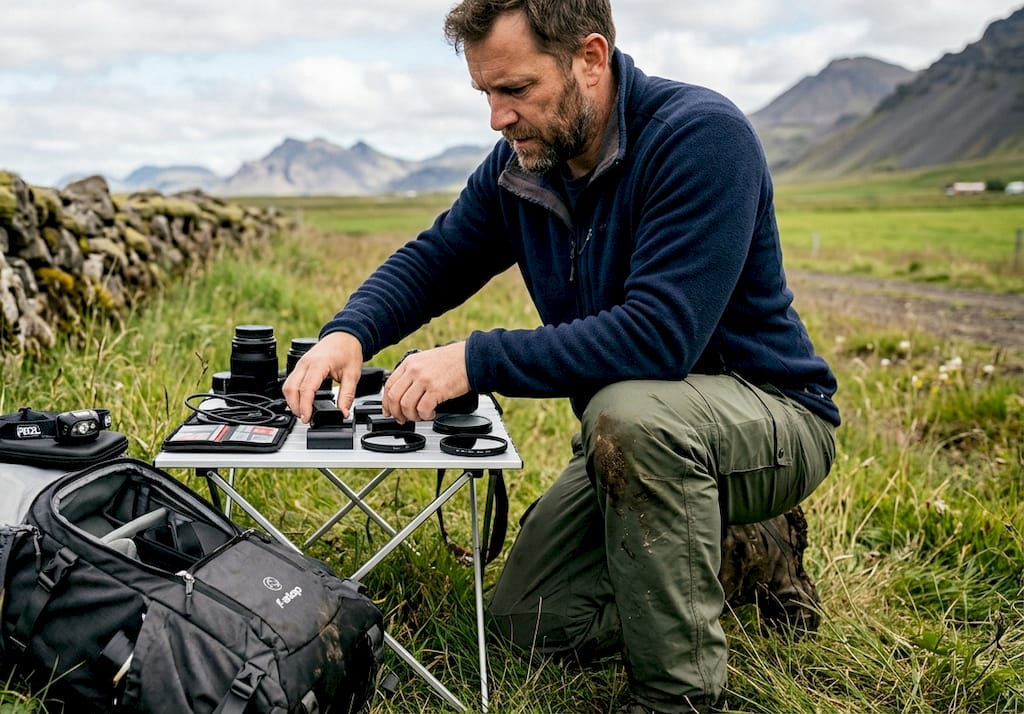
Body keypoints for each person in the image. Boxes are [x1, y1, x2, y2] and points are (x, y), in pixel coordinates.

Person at [282, 0, 839, 711]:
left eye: (516, 90)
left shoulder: (702, 138)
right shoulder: (524, 164)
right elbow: (440, 257)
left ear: (591, 58)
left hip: (771, 418)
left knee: (631, 415)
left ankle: (680, 696)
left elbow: (658, 337)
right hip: (638, 433)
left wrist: (474, 360)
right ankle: (744, 555)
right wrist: (348, 333)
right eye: (486, 94)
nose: (498, 117)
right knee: (524, 624)